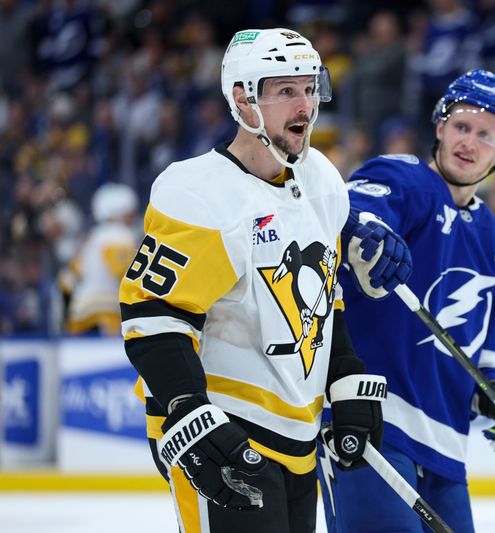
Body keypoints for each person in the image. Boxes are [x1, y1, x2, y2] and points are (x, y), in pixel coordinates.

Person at [119, 28, 399, 533]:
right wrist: (188, 409)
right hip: (225, 430)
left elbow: (324, 298)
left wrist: (344, 376)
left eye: (310, 88)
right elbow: (154, 318)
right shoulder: (200, 192)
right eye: (286, 91)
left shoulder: (321, 180)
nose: (306, 105)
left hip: (298, 438)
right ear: (243, 100)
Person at [318, 69, 495, 533]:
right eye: (462, 126)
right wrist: (365, 233)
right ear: (440, 125)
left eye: (486, 135)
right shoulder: (402, 177)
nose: (469, 142)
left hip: (445, 449)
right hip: (369, 420)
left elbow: (477, 368)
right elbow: (352, 212)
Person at [65, 182, 139, 335]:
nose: (133, 217)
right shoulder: (119, 235)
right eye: (129, 213)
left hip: (79, 311)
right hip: (105, 312)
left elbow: (68, 280)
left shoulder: (93, 236)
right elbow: (125, 275)